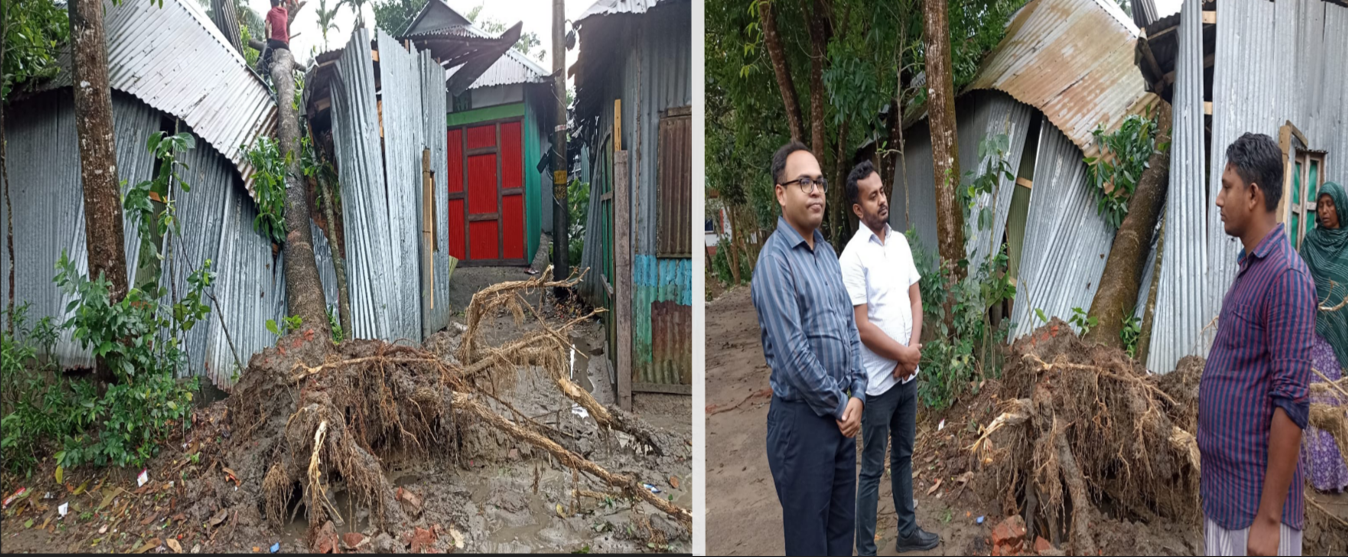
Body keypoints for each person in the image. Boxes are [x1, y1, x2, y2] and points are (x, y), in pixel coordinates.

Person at [1200, 132, 1316, 556]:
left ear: (1252, 195)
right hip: (1227, 499)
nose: (1218, 199)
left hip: (1255, 512)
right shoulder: (1254, 268)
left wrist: (1269, 521)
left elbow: (1291, 403)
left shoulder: (1286, 277)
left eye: (1226, 187)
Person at [751, 141, 867, 556]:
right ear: (781, 193)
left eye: (819, 182)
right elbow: (794, 356)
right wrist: (841, 404)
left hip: (841, 420)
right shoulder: (775, 262)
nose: (816, 190)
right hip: (803, 424)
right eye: (804, 182)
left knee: (840, 537)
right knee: (808, 545)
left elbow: (849, 329)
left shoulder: (827, 254)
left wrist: (858, 392)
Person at [838, 161, 938, 555]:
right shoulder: (852, 258)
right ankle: (865, 550)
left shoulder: (899, 242)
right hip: (877, 385)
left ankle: (907, 531)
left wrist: (910, 353)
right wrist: (903, 355)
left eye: (882, 191)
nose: (882, 200)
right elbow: (861, 326)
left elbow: (915, 298)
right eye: (872, 196)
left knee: (904, 456)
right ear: (858, 209)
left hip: (905, 379)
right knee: (871, 470)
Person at [1298, 181, 1348, 493]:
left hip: (1340, 342)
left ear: (1341, 208)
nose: (1326, 211)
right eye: (1322, 204)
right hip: (1312, 338)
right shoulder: (1310, 243)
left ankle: (1338, 476)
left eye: (1331, 205)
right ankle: (1313, 476)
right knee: (1313, 403)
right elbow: (1299, 283)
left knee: (1336, 404)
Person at [258, 0, 290, 82]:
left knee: (265, 60)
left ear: (271, 3)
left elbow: (266, 28)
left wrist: (268, 40)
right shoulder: (285, 12)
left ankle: (266, 80)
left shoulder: (270, 12)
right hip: (284, 43)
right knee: (290, 57)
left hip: (275, 42)